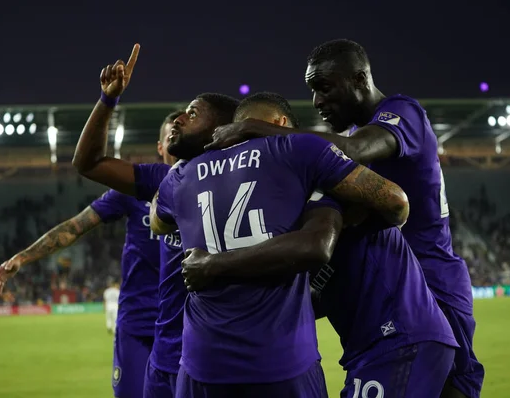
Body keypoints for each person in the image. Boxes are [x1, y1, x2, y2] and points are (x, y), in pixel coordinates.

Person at [208, 39, 483, 398]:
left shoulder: (401, 112)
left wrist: (254, 130)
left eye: (324, 87)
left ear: (360, 79)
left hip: (431, 283)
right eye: (312, 90)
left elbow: (352, 150)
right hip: (388, 293)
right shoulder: (348, 137)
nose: (318, 101)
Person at [148, 92, 409, 397]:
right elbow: (396, 202)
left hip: (201, 366)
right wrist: (329, 210)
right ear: (281, 123)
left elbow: (159, 220)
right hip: (283, 362)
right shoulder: (298, 149)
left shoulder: (179, 177)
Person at [70, 45, 235, 398]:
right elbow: (88, 163)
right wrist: (107, 100)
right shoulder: (163, 178)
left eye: (192, 114)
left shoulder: (246, 182)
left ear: (219, 130)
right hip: (164, 355)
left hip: (212, 356)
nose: (178, 119)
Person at [0, 108, 183, 398]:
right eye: (172, 136)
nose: (178, 142)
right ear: (159, 147)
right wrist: (23, 257)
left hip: (184, 326)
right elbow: (77, 225)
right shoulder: (138, 186)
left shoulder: (205, 186)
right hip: (137, 322)